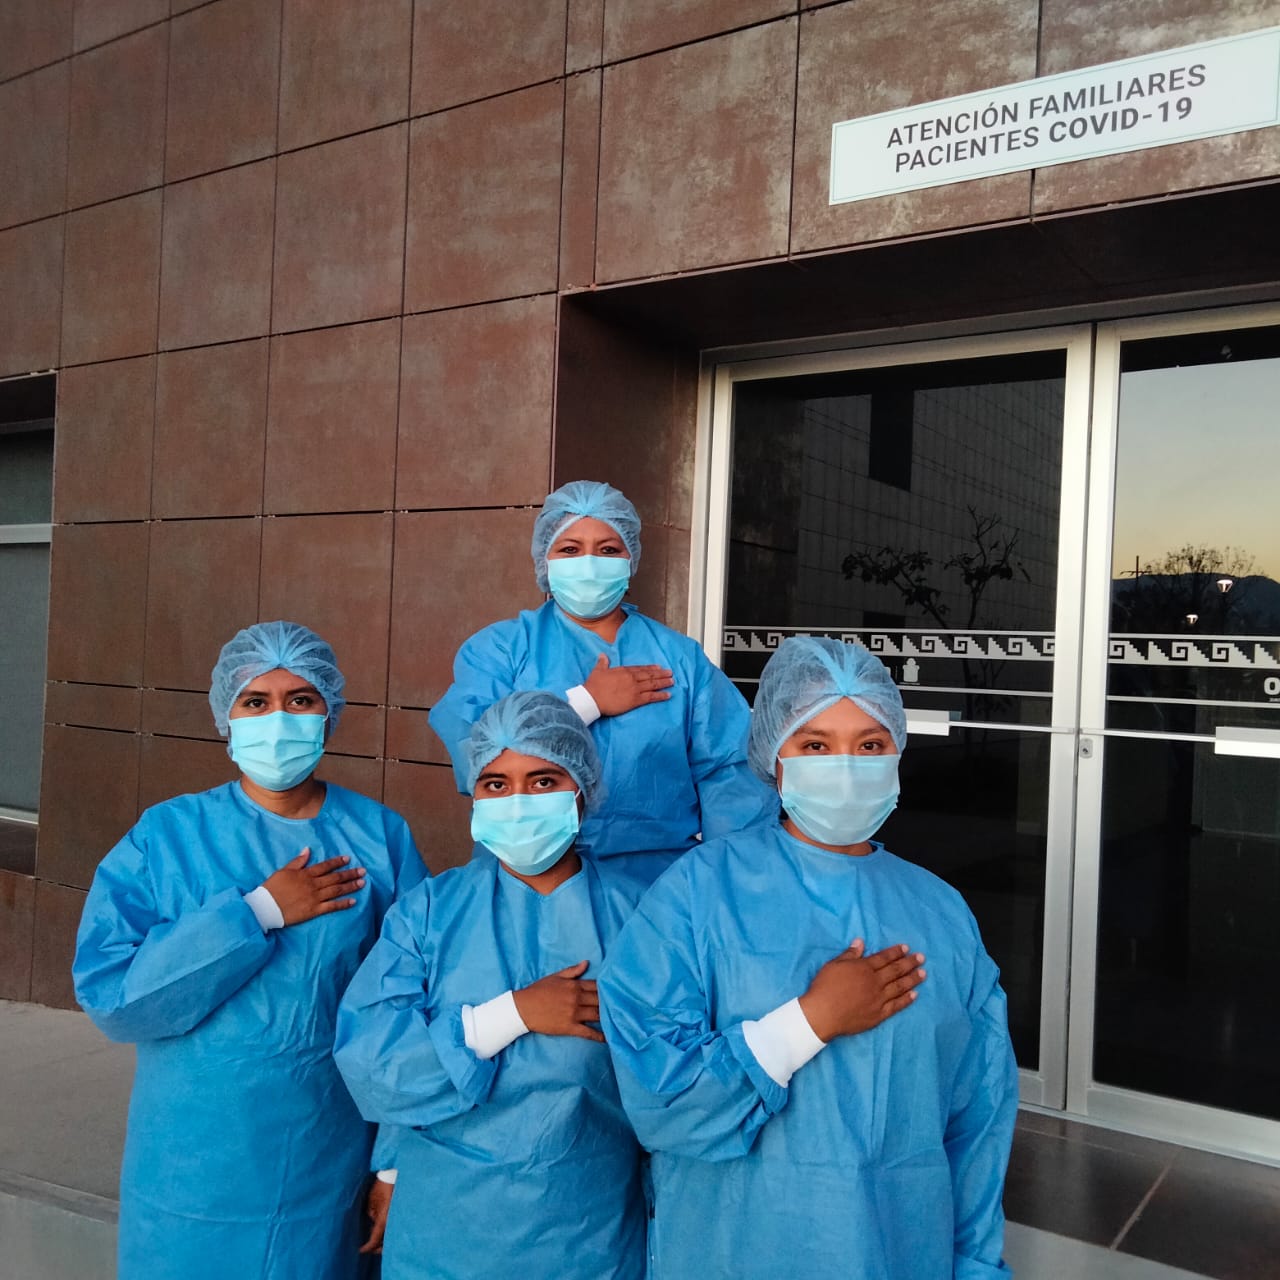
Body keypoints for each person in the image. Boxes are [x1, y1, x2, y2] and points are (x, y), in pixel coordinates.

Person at [598, 636, 1018, 1280]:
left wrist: (976, 1264)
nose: (845, 768)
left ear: (898, 754)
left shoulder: (941, 911)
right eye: (816, 745)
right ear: (775, 758)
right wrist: (808, 1022)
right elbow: (660, 1100)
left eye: (869, 745)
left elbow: (979, 1118)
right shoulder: (699, 892)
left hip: (900, 1249)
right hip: (735, 1250)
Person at [73, 621, 427, 1280]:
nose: (279, 719)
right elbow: (113, 994)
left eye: (301, 700)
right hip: (190, 1162)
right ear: (226, 718)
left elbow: (410, 1008)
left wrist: (394, 1162)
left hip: (322, 1151)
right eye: (256, 701)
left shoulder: (378, 840)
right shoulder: (168, 835)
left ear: (329, 714)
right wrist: (258, 912)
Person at [335, 691, 647, 1280]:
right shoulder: (430, 913)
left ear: (582, 789)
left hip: (586, 1224)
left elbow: (672, 1082)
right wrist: (510, 1016)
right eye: (496, 784)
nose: (518, 802)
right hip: (448, 1225)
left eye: (543, 781)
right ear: (474, 795)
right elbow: (375, 1062)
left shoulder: (641, 919)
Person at [428, 479, 777, 886]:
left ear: (630, 560)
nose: (589, 563)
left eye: (608, 550)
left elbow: (730, 776)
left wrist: (721, 880)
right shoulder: (502, 649)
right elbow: (475, 753)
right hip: (527, 875)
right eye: (570, 549)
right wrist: (585, 703)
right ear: (545, 559)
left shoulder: (679, 660)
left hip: (656, 883)